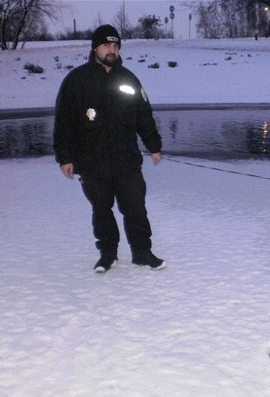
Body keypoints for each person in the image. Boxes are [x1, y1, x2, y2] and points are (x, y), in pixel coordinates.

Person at [53, 24, 166, 273]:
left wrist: (154, 145)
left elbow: (144, 116)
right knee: (101, 210)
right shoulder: (77, 81)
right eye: (106, 45)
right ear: (95, 48)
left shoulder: (128, 79)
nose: (111, 50)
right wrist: (65, 157)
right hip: (92, 161)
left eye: (115, 46)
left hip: (126, 159)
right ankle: (107, 254)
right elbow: (64, 123)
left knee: (135, 208)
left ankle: (142, 253)